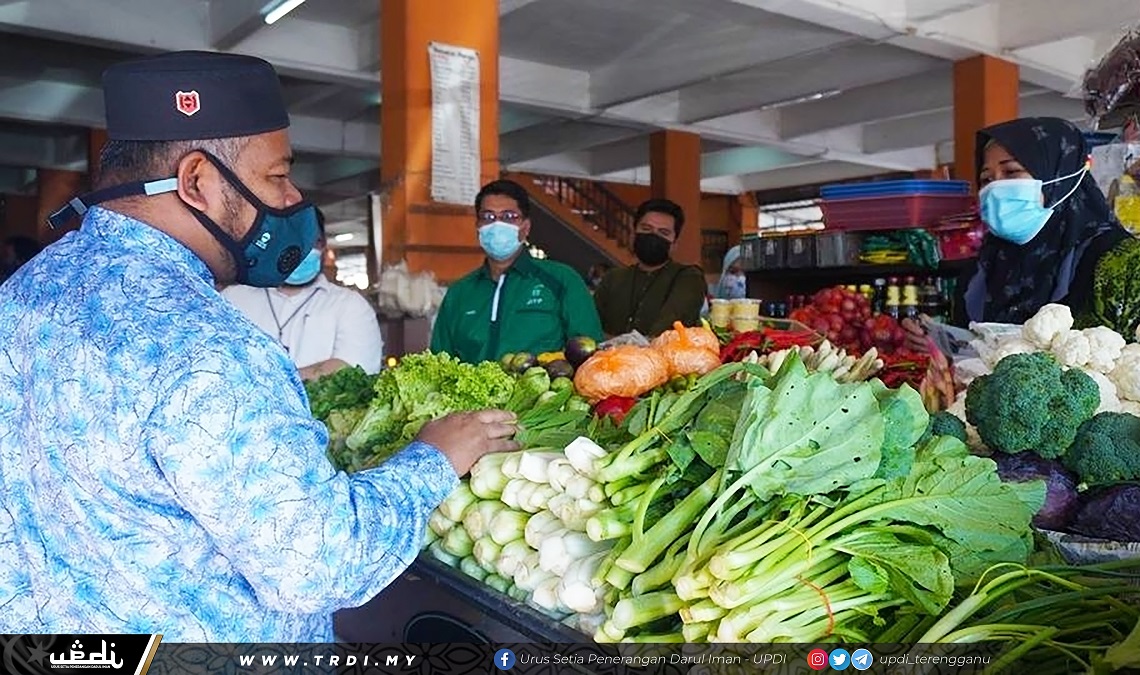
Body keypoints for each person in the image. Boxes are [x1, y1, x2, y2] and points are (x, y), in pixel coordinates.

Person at [0, 51, 516, 641]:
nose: (291, 197)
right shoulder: (207, 346)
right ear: (198, 181)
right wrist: (434, 458)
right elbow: (318, 565)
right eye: (276, 175)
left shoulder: (23, 293)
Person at [953, 116, 1131, 326]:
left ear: (1060, 175)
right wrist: (938, 344)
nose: (995, 189)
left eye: (1011, 172)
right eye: (986, 180)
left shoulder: (1113, 259)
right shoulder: (984, 266)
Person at [431, 179, 604, 364]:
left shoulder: (562, 280)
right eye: (488, 217)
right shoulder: (460, 293)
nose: (497, 224)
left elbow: (590, 354)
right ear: (478, 227)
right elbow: (438, 363)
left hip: (541, 391)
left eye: (508, 216)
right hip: (470, 393)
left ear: (526, 227)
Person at [222, 207, 383, 380]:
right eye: (292, 241)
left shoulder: (350, 305)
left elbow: (355, 369)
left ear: (323, 244)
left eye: (311, 241)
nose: (302, 250)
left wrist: (267, 383)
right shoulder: (232, 300)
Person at [593, 198, 708, 337]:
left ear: (675, 242)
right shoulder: (613, 278)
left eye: (663, 233)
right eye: (646, 229)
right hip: (606, 357)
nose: (653, 236)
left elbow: (667, 331)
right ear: (634, 232)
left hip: (661, 357)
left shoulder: (687, 277)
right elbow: (591, 325)